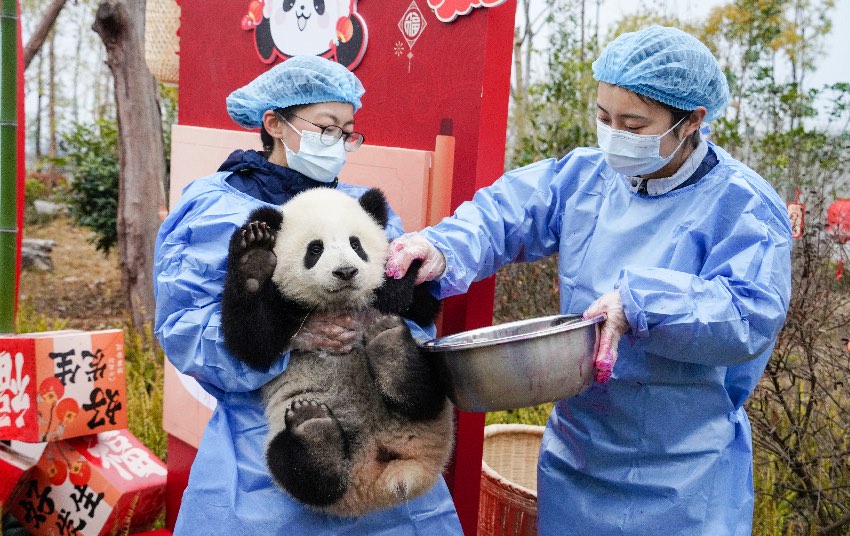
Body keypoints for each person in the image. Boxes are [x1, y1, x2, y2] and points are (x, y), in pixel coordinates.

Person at [386, 26, 792, 535]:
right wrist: (443, 246)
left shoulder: (744, 206)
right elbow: (505, 215)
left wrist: (642, 303)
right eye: (604, 117)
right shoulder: (586, 177)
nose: (614, 134)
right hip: (578, 457)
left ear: (691, 121)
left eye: (634, 124)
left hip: (684, 475)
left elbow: (749, 314)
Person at [153, 56, 463, 534]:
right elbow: (184, 332)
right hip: (266, 449)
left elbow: (415, 320)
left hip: (386, 440)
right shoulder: (216, 210)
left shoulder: (357, 207)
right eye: (326, 127)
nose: (338, 143)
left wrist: (386, 327)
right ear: (274, 122)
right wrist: (291, 333)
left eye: (347, 131)